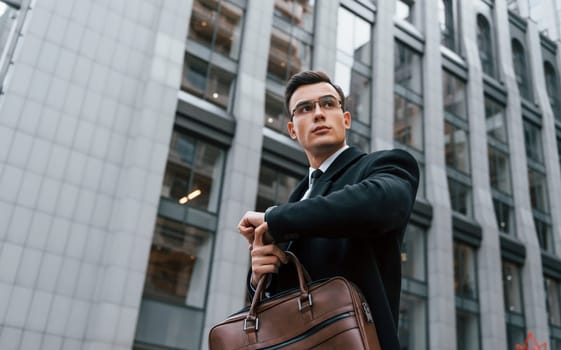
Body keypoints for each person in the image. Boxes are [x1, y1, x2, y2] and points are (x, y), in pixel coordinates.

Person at [238, 70, 419, 349]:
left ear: (345, 119)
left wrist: (274, 219)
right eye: (305, 108)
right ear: (292, 129)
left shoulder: (383, 166)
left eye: (328, 104)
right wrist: (258, 277)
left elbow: (380, 204)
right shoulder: (296, 199)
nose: (318, 114)